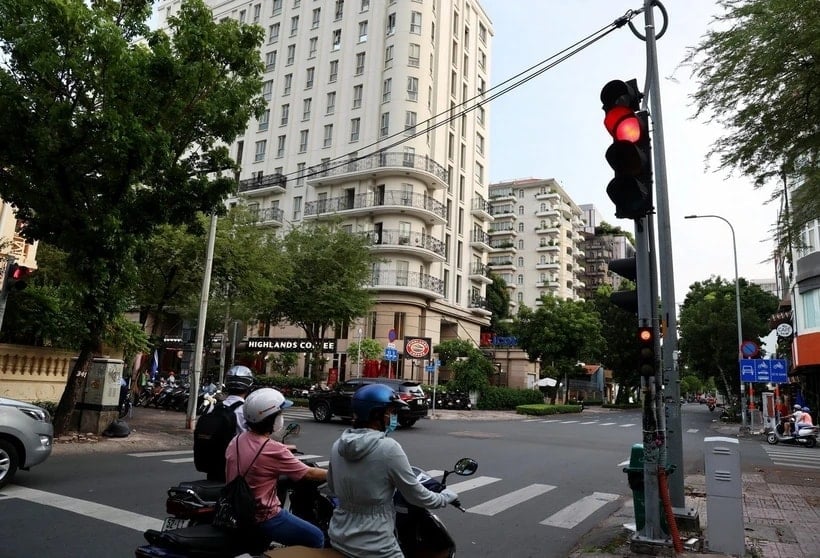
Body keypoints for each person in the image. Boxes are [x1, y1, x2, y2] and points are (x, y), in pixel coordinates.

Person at [327, 384, 459, 558]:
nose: (393, 417)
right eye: (391, 412)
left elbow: (332, 486)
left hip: (338, 536)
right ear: (376, 414)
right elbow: (416, 496)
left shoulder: (338, 445)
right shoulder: (388, 448)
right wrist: (444, 498)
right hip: (375, 545)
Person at [225, 387, 326, 548]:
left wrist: (283, 449)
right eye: (280, 414)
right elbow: (308, 473)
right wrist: (335, 472)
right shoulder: (273, 450)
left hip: (238, 508)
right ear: (270, 418)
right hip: (265, 517)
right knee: (317, 537)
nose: (281, 418)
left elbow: (256, 453)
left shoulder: (237, 440)